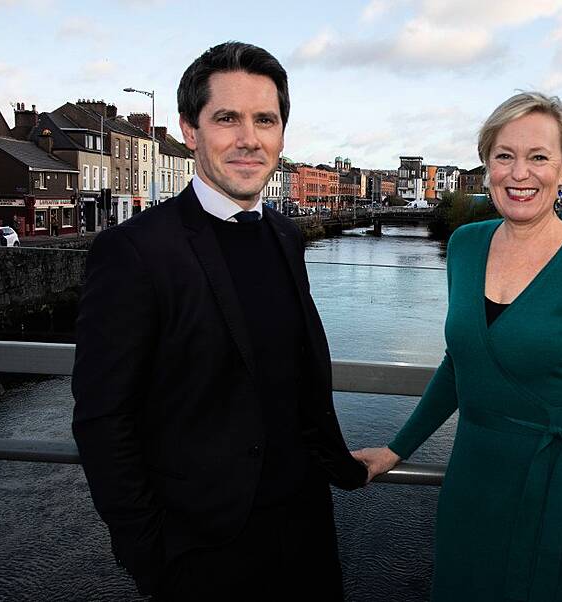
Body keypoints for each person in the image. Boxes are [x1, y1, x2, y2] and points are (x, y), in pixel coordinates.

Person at [71, 41, 366, 600]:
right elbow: (103, 419)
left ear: (282, 132)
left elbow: (291, 376)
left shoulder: (284, 235)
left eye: (265, 120)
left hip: (305, 533)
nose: (248, 138)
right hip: (203, 553)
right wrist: (153, 558)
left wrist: (343, 465)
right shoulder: (133, 251)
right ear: (190, 129)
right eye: (226, 118)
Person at [353, 92, 562, 602]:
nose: (519, 173)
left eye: (538, 157)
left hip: (557, 493)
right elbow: (460, 363)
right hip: (472, 483)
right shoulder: (465, 245)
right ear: (486, 163)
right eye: (504, 155)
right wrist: (398, 448)